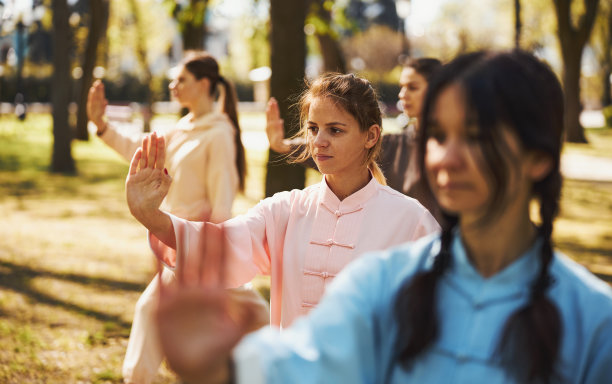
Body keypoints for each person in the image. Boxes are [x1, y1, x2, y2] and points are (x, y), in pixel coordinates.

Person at [152, 50, 612, 383]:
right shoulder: (381, 282)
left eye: (475, 136)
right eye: (438, 136)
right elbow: (302, 362)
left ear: (538, 157)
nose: (448, 158)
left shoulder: (595, 322)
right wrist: (215, 364)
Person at [126, 72, 440, 329]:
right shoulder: (286, 210)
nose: (319, 142)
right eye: (314, 128)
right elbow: (219, 245)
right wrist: (149, 215)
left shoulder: (411, 221)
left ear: (370, 136)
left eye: (335, 130)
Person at [87, 51, 270, 384]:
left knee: (148, 313)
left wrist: (210, 254)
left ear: (203, 84)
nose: (172, 85)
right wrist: (101, 126)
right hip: (178, 249)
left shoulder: (218, 133)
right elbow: (140, 155)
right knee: (261, 318)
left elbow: (222, 201)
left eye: (180, 79)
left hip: (198, 250)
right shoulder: (182, 128)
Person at [266, 58, 442, 219]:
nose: (402, 94)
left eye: (412, 87)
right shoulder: (395, 145)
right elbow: (338, 149)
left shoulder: (454, 149)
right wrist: (283, 145)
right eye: (313, 128)